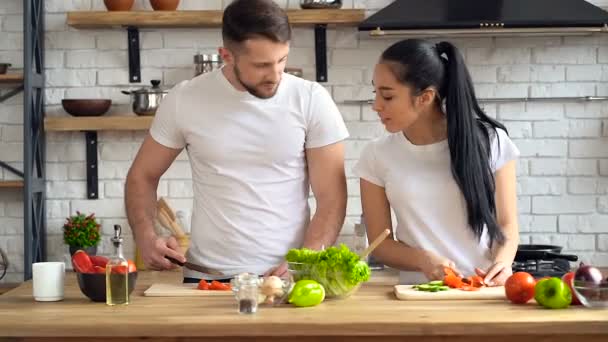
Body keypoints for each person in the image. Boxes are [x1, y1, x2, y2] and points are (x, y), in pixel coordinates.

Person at [125, 0, 348, 282]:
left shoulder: (311, 99)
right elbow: (142, 176)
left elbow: (332, 198)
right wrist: (146, 236)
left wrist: (307, 259)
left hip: (287, 279)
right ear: (227, 56)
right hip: (207, 278)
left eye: (282, 60)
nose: (276, 75)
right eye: (262, 65)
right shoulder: (185, 99)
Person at [354, 39, 519, 286]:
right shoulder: (376, 155)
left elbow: (507, 224)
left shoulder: (491, 141)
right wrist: (422, 259)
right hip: (417, 294)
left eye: (387, 96)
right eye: (375, 93)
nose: (376, 105)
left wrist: (503, 264)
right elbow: (380, 244)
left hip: (482, 289)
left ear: (425, 97)